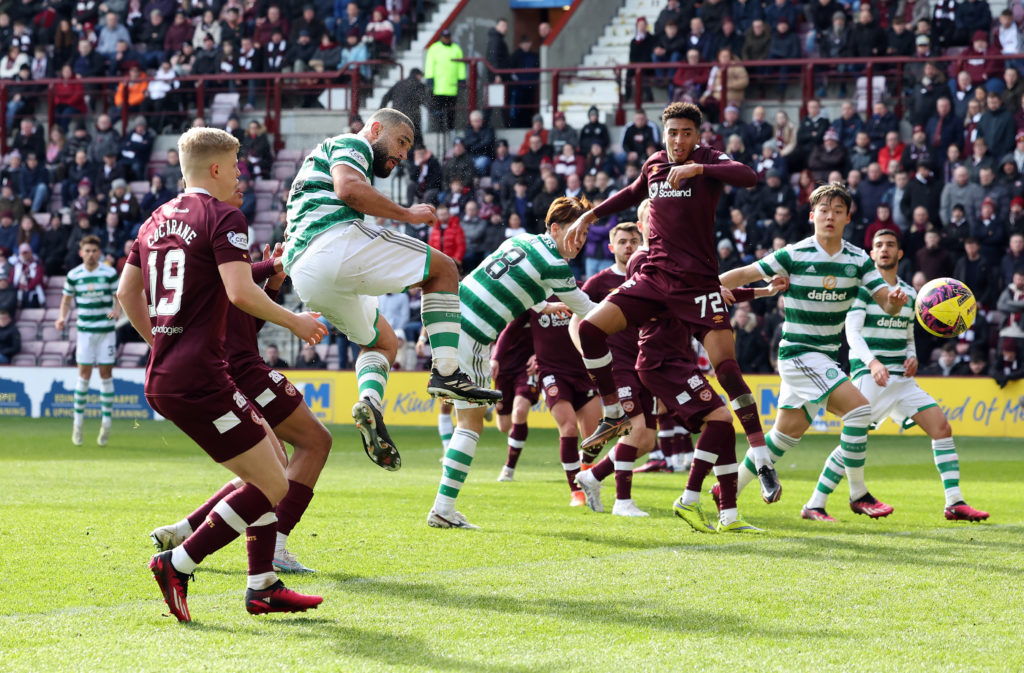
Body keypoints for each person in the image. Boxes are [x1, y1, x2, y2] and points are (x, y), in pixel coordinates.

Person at [115, 127, 327, 622]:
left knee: (267, 468)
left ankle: (262, 586)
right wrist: (294, 319)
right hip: (202, 378)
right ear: (215, 168)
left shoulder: (153, 221)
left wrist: (163, 343)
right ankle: (179, 562)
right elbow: (240, 293)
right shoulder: (223, 215)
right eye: (235, 165)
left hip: (168, 374)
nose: (239, 174)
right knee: (274, 484)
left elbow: (127, 295)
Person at [564, 103, 782, 504]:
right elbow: (631, 192)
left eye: (686, 133)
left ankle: (764, 460)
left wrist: (700, 169)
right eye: (672, 133)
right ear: (663, 135)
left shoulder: (709, 159)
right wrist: (588, 216)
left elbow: (749, 177)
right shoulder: (655, 165)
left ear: (698, 135)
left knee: (729, 372)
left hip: (697, 287)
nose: (678, 140)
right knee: (591, 328)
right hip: (655, 279)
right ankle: (612, 412)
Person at [283, 108, 499, 473]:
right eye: (401, 141)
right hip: (333, 244)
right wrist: (409, 214)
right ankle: (447, 372)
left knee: (383, 342)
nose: (402, 154)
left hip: (305, 275)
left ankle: (370, 402)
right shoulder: (352, 142)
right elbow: (348, 189)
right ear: (377, 128)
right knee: (444, 269)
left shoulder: (320, 162)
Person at [718, 183, 909, 519]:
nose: (830, 216)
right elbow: (746, 273)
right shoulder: (794, 254)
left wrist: (893, 303)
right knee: (859, 411)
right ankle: (858, 494)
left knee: (784, 436)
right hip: (798, 353)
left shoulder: (858, 260)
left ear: (848, 217)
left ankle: (727, 488)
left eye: (838, 210)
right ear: (812, 216)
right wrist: (716, 284)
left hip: (822, 357)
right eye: (824, 210)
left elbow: (886, 305)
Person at [151, 238, 334, 574]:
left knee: (266, 465)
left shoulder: (197, 254)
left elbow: (245, 326)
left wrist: (273, 285)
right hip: (245, 371)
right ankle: (275, 545)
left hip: (230, 367)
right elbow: (236, 278)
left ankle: (185, 530)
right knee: (315, 442)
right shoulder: (213, 238)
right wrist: (276, 267)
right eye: (236, 180)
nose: (239, 183)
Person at [427, 196, 598, 529]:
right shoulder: (556, 266)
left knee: (466, 418)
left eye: (585, 234)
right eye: (576, 232)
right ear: (555, 228)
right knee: (471, 425)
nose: (580, 241)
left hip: (447, 314)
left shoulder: (521, 240)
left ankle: (444, 506)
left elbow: (513, 281)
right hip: (472, 334)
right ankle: (443, 509)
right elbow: (588, 310)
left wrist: (542, 307)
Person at [802, 229, 989, 522]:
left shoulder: (914, 294)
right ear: (872, 254)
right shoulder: (861, 291)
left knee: (941, 428)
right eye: (878, 246)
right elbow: (851, 333)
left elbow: (908, 333)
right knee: (852, 443)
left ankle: (954, 502)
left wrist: (912, 355)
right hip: (871, 376)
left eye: (890, 245)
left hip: (902, 379)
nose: (884, 249)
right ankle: (815, 503)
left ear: (900, 253)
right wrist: (873, 363)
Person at [574, 219, 654, 517]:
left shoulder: (649, 276)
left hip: (645, 363)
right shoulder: (598, 283)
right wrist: (588, 357)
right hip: (616, 364)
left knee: (646, 440)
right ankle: (623, 501)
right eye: (622, 242)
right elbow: (577, 322)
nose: (629, 246)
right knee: (634, 429)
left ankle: (592, 476)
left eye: (634, 240)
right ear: (611, 247)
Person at [56, 236, 119, 446]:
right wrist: (62, 318)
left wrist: (116, 311)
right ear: (81, 253)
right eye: (87, 250)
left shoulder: (109, 273)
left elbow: (118, 296)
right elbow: (66, 301)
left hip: (106, 332)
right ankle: (78, 424)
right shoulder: (74, 275)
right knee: (83, 375)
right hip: (84, 332)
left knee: (105, 374)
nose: (91, 253)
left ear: (99, 253)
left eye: (94, 250)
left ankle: (106, 423)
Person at [492, 313, 539, 482]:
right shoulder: (504, 305)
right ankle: (516, 433)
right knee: (504, 426)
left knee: (519, 412)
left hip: (526, 368)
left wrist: (540, 355)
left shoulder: (540, 306)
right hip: (503, 369)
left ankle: (509, 468)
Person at [424, 29, 464, 132]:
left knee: (451, 111)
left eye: (448, 37)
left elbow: (461, 66)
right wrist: (430, 78)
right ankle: (440, 129)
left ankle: (451, 129)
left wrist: (461, 78)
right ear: (441, 37)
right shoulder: (434, 48)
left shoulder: (456, 49)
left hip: (452, 86)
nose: (446, 39)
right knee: (439, 111)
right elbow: (430, 64)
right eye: (444, 37)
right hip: (439, 87)